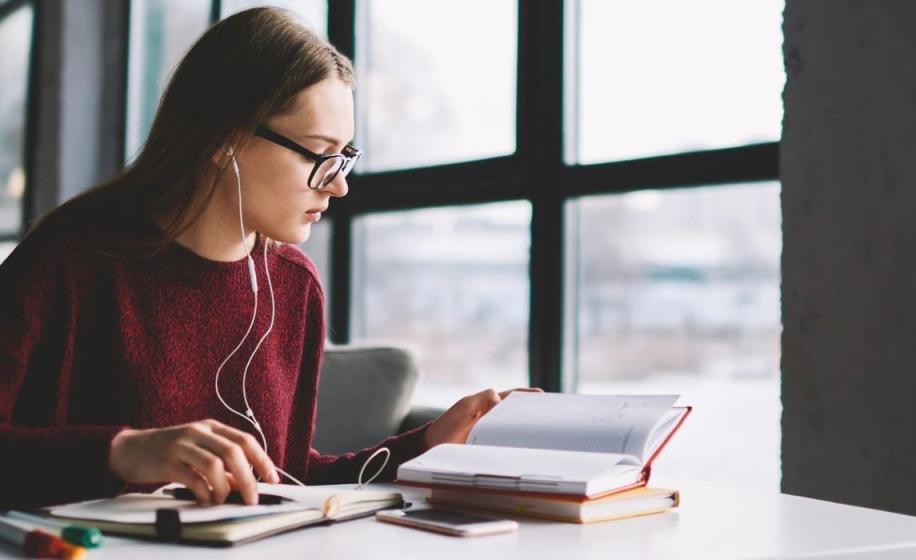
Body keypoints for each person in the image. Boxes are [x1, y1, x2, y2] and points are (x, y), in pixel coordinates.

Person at [0, 7, 536, 509]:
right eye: (319, 154)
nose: (340, 185)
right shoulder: (72, 258)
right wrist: (123, 452)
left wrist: (428, 443)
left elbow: (287, 482)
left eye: (344, 157)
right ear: (223, 137)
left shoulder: (292, 285)